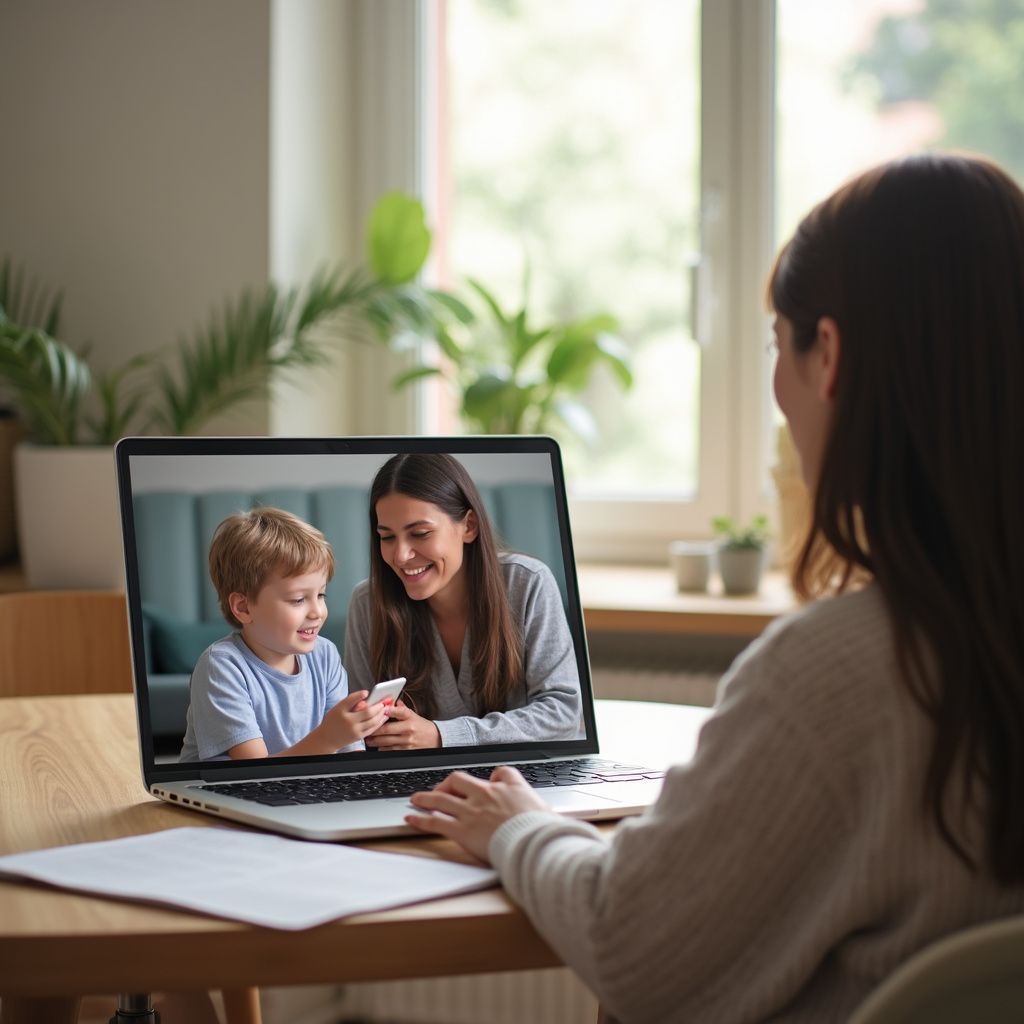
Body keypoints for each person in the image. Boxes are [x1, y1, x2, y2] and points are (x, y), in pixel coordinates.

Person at [404, 152, 1024, 1022]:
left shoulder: (837, 677)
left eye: (779, 344)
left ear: (830, 356)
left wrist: (517, 825)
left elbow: (631, 946)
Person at [344, 452, 583, 749]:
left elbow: (563, 714)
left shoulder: (528, 583)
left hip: (520, 780)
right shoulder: (368, 604)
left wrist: (442, 736)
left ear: (468, 526)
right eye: (387, 537)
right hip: (417, 785)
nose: (401, 555)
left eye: (420, 533)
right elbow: (359, 737)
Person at [179, 506, 390, 761]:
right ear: (243, 607)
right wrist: (331, 737)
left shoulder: (324, 655)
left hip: (298, 788)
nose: (318, 612)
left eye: (320, 595)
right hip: (232, 792)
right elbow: (252, 773)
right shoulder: (222, 667)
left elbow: (349, 751)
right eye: (298, 599)